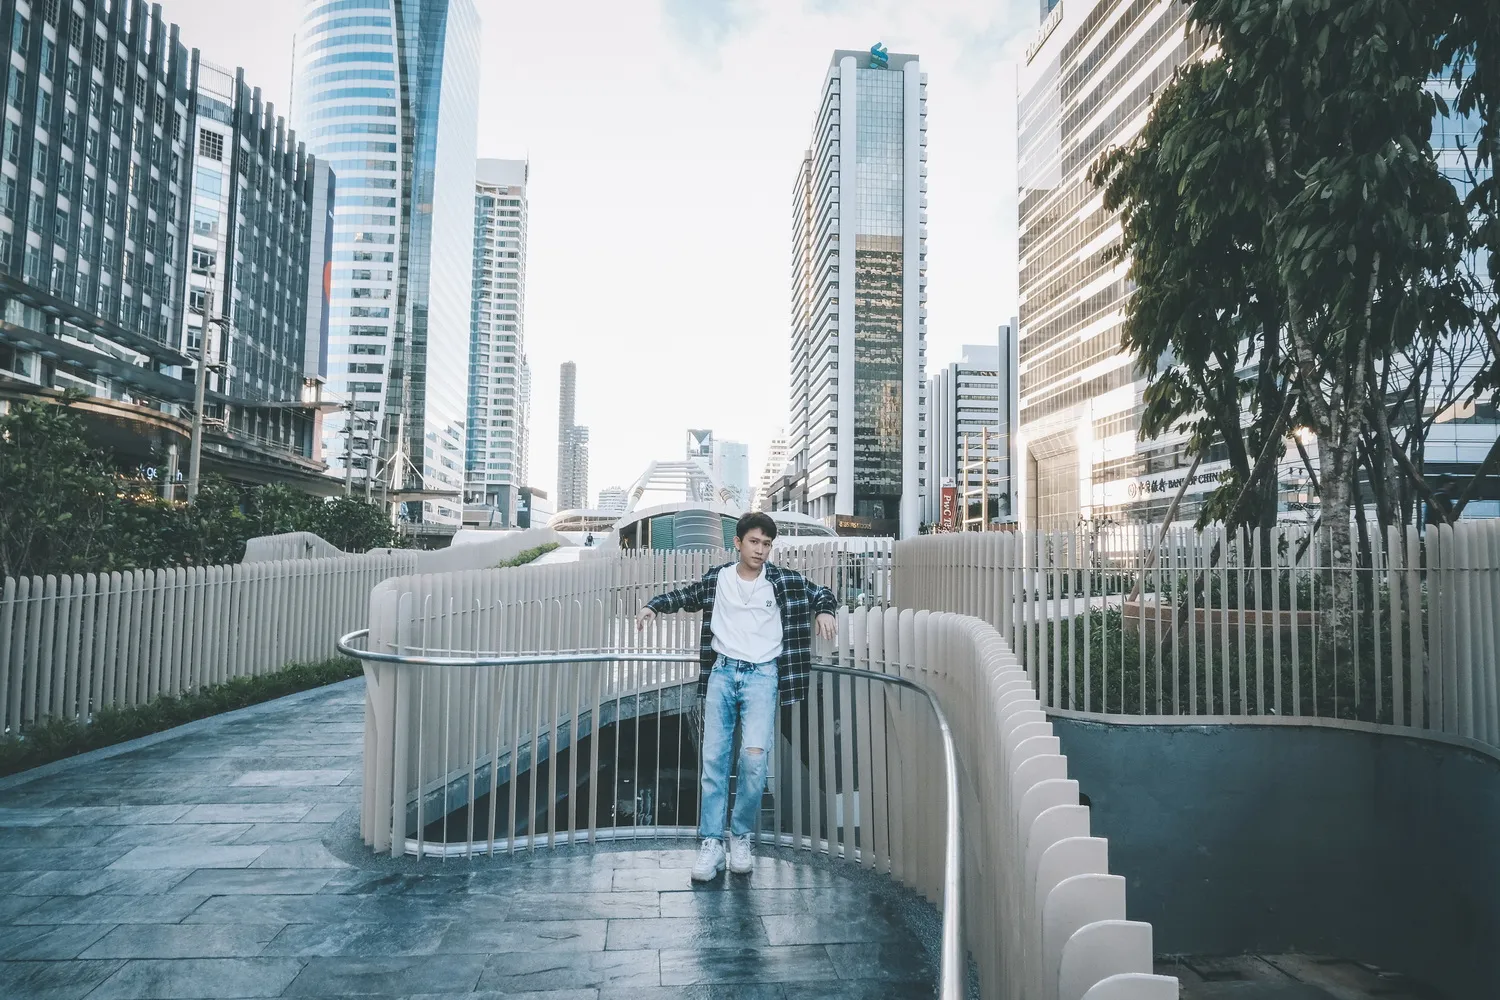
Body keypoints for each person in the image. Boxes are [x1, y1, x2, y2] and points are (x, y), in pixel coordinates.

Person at [636, 511, 838, 881]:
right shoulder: (719, 578)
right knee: (714, 762)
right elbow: (686, 595)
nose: (760, 550)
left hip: (763, 676)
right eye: (754, 542)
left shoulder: (783, 580)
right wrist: (654, 605)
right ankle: (712, 843)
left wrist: (825, 611)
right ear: (738, 543)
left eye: (767, 544)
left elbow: (822, 593)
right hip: (723, 673)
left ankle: (740, 836)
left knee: (754, 759)